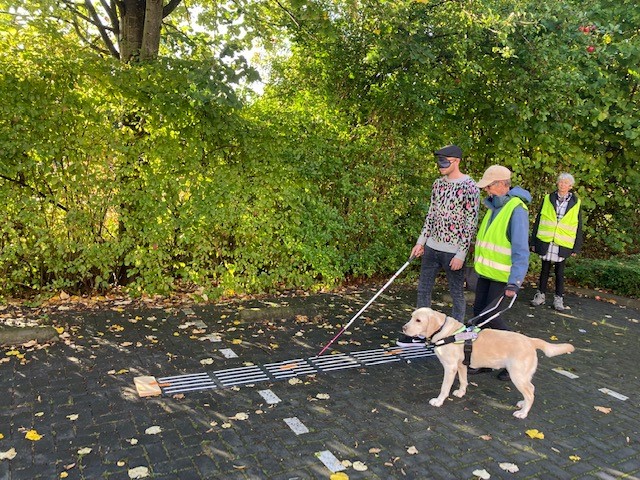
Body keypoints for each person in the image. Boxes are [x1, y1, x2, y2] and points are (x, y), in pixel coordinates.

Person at [397, 145, 480, 347]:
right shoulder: (438, 185)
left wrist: (461, 254)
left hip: (453, 252)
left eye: (445, 161)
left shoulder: (470, 186)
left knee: (456, 293)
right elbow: (431, 215)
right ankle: (419, 334)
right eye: (439, 161)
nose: (440, 166)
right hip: (432, 248)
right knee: (423, 290)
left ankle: (457, 335)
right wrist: (421, 242)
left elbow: (471, 222)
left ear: (457, 161)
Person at [469, 165, 531, 380]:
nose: (486, 190)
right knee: (480, 315)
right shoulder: (494, 206)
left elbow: (521, 250)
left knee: (490, 317)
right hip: (486, 273)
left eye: (489, 186)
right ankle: (485, 361)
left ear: (503, 184)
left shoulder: (516, 210)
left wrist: (515, 281)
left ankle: (516, 357)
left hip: (503, 277)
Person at [530, 173, 583, 311]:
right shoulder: (548, 198)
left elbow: (578, 225)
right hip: (547, 240)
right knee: (544, 270)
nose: (562, 185)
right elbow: (539, 220)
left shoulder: (576, 202)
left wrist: (576, 247)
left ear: (570, 186)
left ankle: (558, 299)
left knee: (560, 272)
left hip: (563, 242)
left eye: (566, 183)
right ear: (557, 183)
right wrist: (533, 241)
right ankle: (540, 295)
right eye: (561, 182)